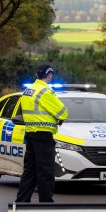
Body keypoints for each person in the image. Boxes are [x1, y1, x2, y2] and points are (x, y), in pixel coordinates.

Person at [16, 64, 68, 203]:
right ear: (49, 75)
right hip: (43, 136)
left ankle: (22, 203)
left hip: (30, 134)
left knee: (29, 172)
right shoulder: (45, 91)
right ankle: (46, 204)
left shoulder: (28, 90)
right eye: (51, 75)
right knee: (45, 172)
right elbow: (63, 112)